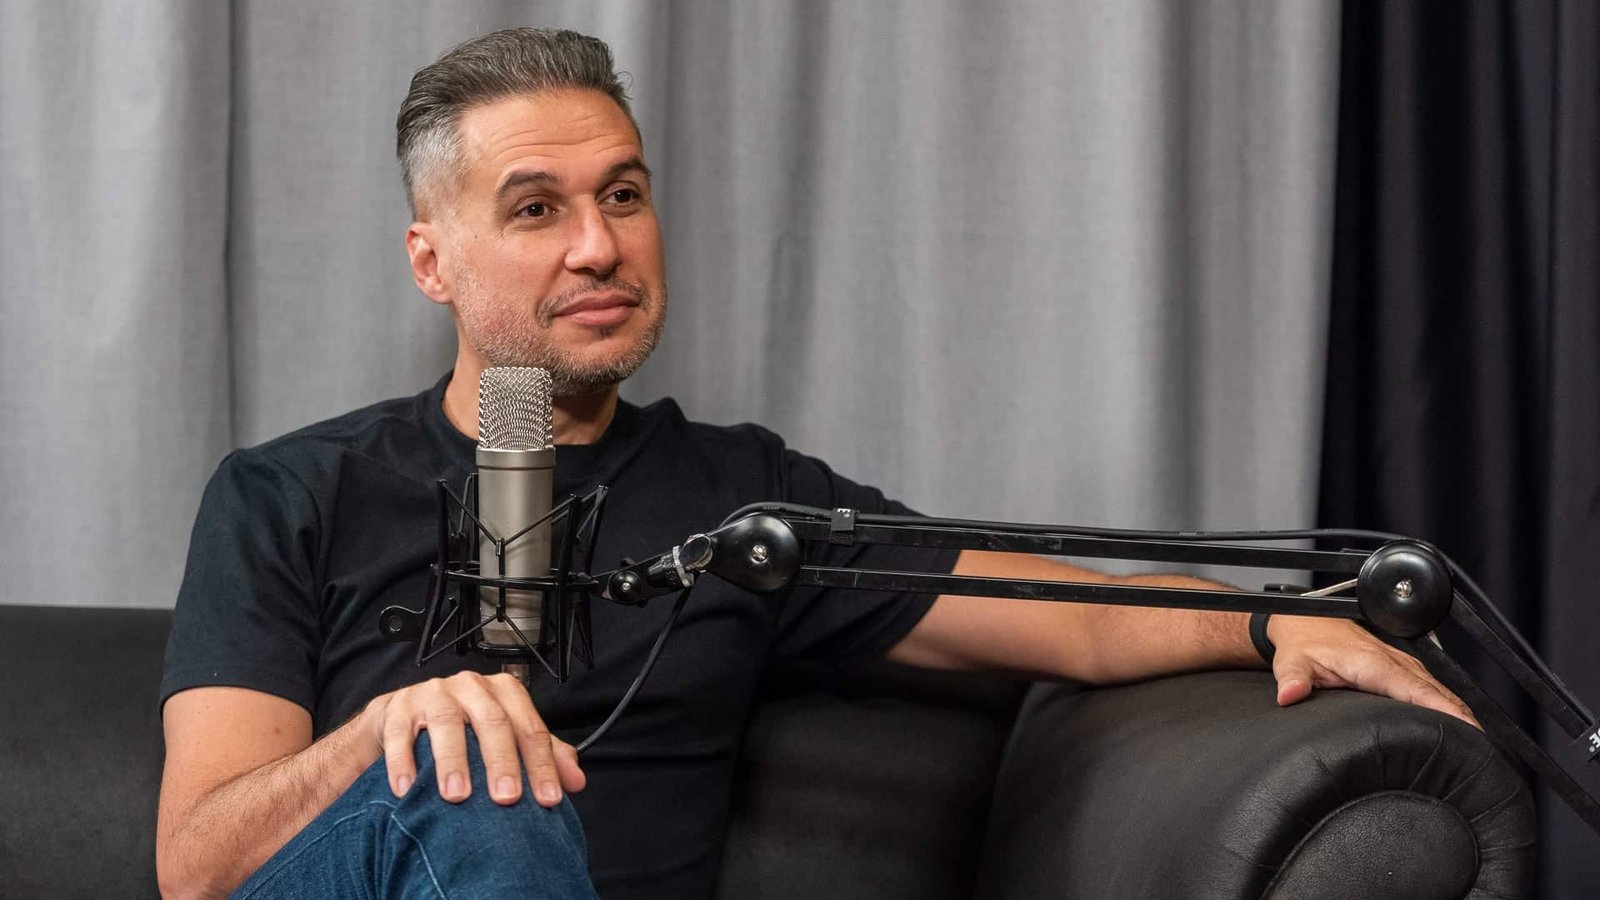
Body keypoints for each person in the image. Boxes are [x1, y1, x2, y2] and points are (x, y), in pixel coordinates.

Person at [155, 27, 1477, 900]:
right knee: (466, 791)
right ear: (432, 261)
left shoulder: (744, 503)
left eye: (623, 194)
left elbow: (1066, 614)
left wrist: (1274, 622)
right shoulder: (292, 495)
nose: (599, 247)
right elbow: (197, 865)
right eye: (536, 209)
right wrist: (382, 740)